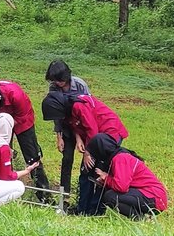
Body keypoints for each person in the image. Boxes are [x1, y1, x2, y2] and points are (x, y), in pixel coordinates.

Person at [40, 59, 128, 208]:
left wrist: (88, 152)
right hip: (89, 134)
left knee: (96, 169)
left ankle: (95, 208)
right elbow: (75, 122)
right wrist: (75, 137)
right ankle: (82, 208)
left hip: (107, 133)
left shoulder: (78, 104)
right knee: (85, 172)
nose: (57, 83)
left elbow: (91, 128)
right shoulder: (63, 105)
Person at [0, 78, 52, 200]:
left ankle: (44, 195)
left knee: (32, 156)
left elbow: (23, 115)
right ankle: (4, 190)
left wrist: (7, 124)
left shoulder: (15, 95)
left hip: (22, 121)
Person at [79, 131, 169, 218]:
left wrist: (106, 177)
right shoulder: (117, 156)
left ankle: (139, 218)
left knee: (110, 196)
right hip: (149, 196)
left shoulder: (120, 159)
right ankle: (142, 217)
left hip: (154, 197)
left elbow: (121, 186)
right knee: (110, 194)